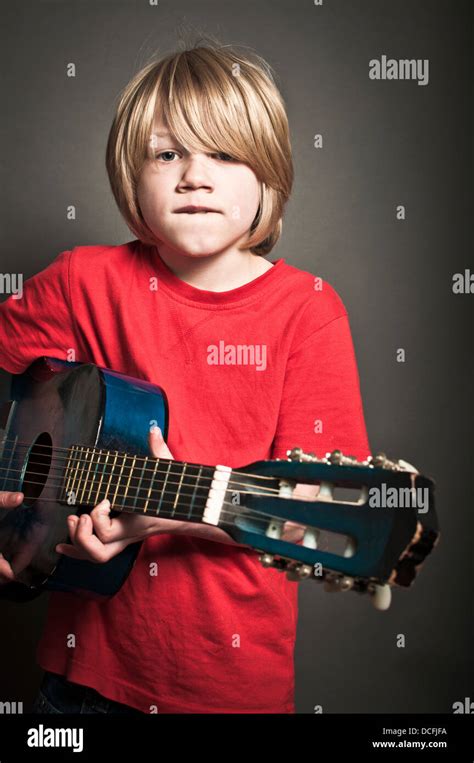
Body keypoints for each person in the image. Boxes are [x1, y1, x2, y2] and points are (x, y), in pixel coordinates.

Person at [0, 42, 370, 713]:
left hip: (229, 689)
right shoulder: (85, 280)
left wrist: (167, 515)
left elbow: (317, 509)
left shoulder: (309, 311)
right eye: (167, 153)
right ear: (130, 174)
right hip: (81, 683)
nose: (195, 176)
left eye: (225, 153)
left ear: (269, 175)